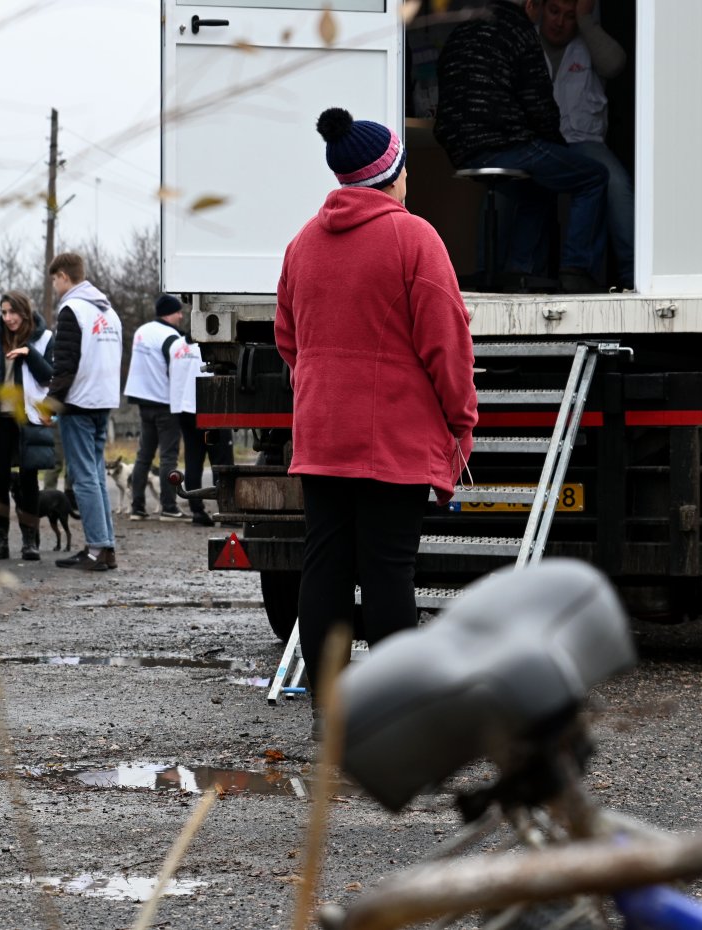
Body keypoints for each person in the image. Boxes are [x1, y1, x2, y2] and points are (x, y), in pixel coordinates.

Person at [275, 108, 478, 733]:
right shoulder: (414, 238)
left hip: (320, 434)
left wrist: (319, 388)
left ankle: (327, 708)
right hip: (390, 437)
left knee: (326, 567)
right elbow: (446, 339)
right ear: (391, 176)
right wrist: (460, 417)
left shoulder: (303, 243)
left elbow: (288, 339)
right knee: (389, 570)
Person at [433, 0, 608, 294]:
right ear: (531, 6)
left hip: (461, 148)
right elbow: (539, 104)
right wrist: (557, 147)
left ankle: (520, 275)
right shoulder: (520, 30)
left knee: (538, 189)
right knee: (594, 176)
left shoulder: (461, 31)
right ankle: (576, 271)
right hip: (506, 141)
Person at [528, 0, 634, 290]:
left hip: (583, 142)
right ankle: (508, 274)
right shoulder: (526, 42)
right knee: (506, 189)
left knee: (618, 185)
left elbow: (615, 64)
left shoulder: (588, 42)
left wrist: (587, 22)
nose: (559, 21)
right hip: (540, 143)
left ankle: (633, 278)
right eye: (554, 11)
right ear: (540, 8)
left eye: (570, 15)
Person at [45, 252, 122, 572]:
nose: (54, 287)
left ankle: (95, 548)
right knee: (96, 475)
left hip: (78, 403)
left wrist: (50, 403)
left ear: (63, 276)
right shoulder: (108, 311)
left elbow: (65, 364)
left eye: (54, 280)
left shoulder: (71, 310)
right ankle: (105, 546)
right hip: (104, 400)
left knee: (85, 478)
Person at [0, 290, 56, 561]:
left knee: (28, 479)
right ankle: (0, 541)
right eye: (4, 312)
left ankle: (30, 541)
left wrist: (28, 353)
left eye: (13, 312)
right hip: (0, 419)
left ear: (25, 312)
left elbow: (49, 377)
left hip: (30, 419)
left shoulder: (44, 339)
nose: (8, 318)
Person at [123, 293, 188, 521]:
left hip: (143, 400)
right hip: (165, 402)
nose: (181, 316)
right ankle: (169, 507)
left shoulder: (142, 331)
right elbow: (176, 370)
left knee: (144, 456)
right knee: (168, 457)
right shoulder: (170, 337)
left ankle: (137, 507)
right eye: (178, 311)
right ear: (169, 313)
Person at [168, 333, 233, 527]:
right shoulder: (205, 347)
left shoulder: (176, 345)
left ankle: (197, 511)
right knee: (221, 461)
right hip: (208, 406)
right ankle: (226, 509)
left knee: (193, 460)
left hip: (183, 409)